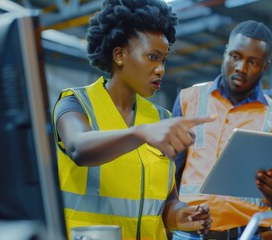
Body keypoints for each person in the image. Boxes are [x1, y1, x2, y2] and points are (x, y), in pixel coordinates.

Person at [52, 0, 214, 239]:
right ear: (119, 55)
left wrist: (181, 215)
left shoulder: (161, 118)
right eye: (152, 57)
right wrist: (141, 133)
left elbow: (165, 202)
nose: (161, 69)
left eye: (164, 60)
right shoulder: (76, 103)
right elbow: (78, 147)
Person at [172, 20, 272, 240]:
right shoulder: (188, 100)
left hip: (249, 234)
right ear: (225, 53)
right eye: (235, 56)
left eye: (253, 62)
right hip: (189, 233)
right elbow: (171, 172)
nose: (241, 68)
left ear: (265, 67)